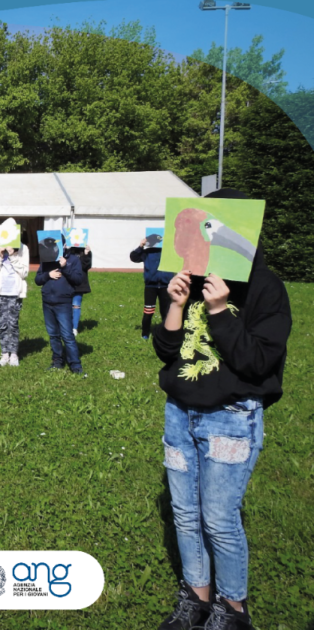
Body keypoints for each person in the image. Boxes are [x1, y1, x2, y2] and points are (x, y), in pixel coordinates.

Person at [153, 190, 291, 630]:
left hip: (230, 415)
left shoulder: (265, 287)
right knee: (185, 514)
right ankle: (196, 598)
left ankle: (233, 610)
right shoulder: (185, 279)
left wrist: (218, 310)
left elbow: (258, 361)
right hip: (180, 412)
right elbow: (167, 352)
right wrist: (176, 305)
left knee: (218, 519)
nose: (186, 244)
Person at [35, 239, 83, 374]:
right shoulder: (46, 260)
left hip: (63, 302)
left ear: (64, 245)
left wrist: (65, 267)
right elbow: (38, 280)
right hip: (47, 301)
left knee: (67, 335)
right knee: (53, 334)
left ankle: (75, 365)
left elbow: (78, 280)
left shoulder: (73, 260)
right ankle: (57, 361)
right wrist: (48, 275)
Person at [0, 234, 30, 367]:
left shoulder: (23, 248)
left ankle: (14, 354)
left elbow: (24, 273)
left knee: (13, 324)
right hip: (0, 292)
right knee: (2, 324)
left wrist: (12, 255)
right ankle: (5, 353)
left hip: (15, 292)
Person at [131, 236, 173, 340]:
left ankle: (166, 333)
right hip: (150, 287)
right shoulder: (147, 253)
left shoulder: (168, 252)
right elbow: (134, 257)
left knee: (166, 311)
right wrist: (141, 246)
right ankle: (145, 333)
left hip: (165, 286)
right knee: (148, 311)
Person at [69, 244, 92, 337]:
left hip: (79, 283)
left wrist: (86, 254)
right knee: (65, 305)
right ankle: (65, 326)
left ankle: (74, 328)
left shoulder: (85, 250)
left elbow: (86, 266)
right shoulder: (67, 250)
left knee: (76, 305)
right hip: (67, 282)